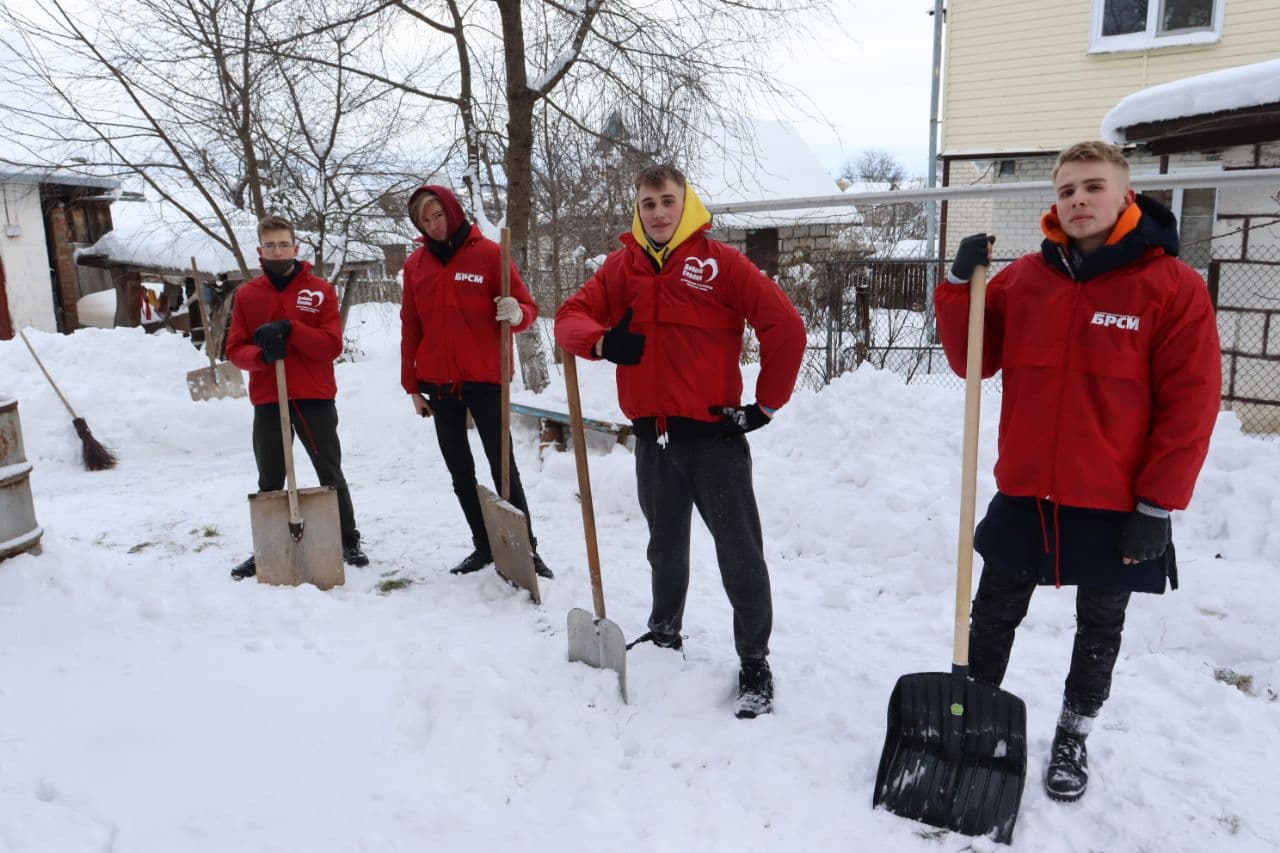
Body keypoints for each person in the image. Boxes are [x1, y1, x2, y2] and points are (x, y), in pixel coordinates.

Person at [937, 141, 1221, 802]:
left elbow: (1192, 400)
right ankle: (978, 716)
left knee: (1101, 626)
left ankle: (1073, 733)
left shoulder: (1170, 287)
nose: (1078, 200)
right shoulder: (1025, 281)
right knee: (991, 612)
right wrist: (958, 289)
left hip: (1115, 499)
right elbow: (972, 362)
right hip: (1026, 488)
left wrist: (1158, 502)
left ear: (1125, 196)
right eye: (1066, 190)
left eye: (1093, 186)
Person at [554, 164, 806, 719]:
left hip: (712, 439)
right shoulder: (621, 269)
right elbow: (567, 320)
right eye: (648, 204)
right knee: (664, 548)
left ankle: (755, 663)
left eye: (668, 201)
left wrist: (766, 404)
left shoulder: (723, 264)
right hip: (653, 439)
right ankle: (664, 631)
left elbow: (785, 326)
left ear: (685, 204)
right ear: (638, 210)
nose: (659, 213)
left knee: (739, 555)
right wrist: (601, 343)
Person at [400, 184, 553, 580]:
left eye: (439, 215)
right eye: (425, 219)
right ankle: (483, 545)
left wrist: (516, 311)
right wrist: (412, 387)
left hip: (487, 377)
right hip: (439, 382)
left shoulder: (489, 254)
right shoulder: (416, 265)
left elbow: (530, 310)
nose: (434, 225)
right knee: (459, 470)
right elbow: (410, 327)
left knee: (503, 467)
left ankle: (526, 550)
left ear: (453, 212)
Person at [225, 214, 370, 579]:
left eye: (283, 244)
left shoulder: (320, 290)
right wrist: (260, 357)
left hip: (313, 394)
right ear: (260, 250)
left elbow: (330, 346)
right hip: (269, 396)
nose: (277, 250)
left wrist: (291, 330)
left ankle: (347, 538)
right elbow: (234, 349)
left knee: (329, 469)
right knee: (269, 475)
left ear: (296, 247)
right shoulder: (247, 295)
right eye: (270, 245)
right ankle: (267, 546)